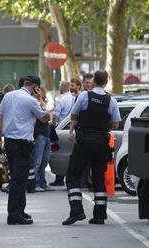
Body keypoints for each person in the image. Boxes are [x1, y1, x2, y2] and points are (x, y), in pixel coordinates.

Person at [62, 70, 121, 225]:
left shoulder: (84, 96)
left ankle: (77, 211)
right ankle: (100, 215)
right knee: (99, 177)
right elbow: (115, 124)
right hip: (102, 142)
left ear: (94, 80)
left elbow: (73, 116)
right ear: (106, 82)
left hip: (85, 140)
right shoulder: (111, 100)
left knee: (73, 175)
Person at [0, 75, 50, 225]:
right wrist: (40, 99)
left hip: (10, 143)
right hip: (22, 144)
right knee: (19, 181)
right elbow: (47, 117)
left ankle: (20, 210)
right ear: (35, 88)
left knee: (18, 178)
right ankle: (14, 215)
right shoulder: (32, 101)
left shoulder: (9, 96)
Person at [50, 81, 74, 187]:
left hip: (62, 128)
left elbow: (55, 116)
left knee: (60, 153)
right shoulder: (74, 98)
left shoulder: (61, 100)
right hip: (73, 128)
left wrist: (54, 125)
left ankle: (59, 178)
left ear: (62, 88)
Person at [29, 87, 51, 192]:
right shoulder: (35, 103)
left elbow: (48, 115)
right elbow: (46, 116)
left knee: (44, 162)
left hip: (46, 135)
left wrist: (42, 101)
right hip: (40, 135)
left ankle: (42, 182)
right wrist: (40, 100)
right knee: (37, 161)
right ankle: (36, 183)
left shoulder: (41, 103)